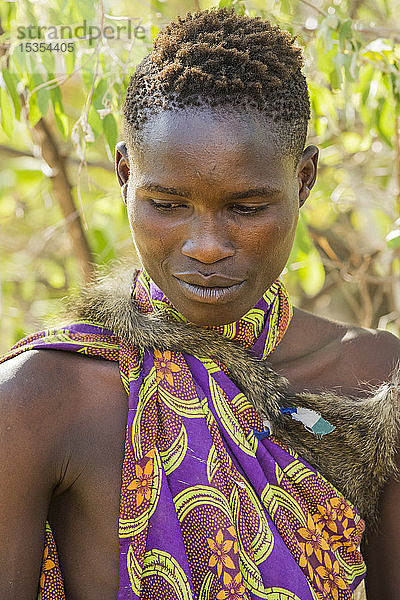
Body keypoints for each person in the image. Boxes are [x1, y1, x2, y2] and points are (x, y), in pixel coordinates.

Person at [0, 7, 399, 600]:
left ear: (305, 178)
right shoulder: (40, 399)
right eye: (167, 205)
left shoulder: (375, 379)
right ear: (124, 176)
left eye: (246, 208)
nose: (206, 247)